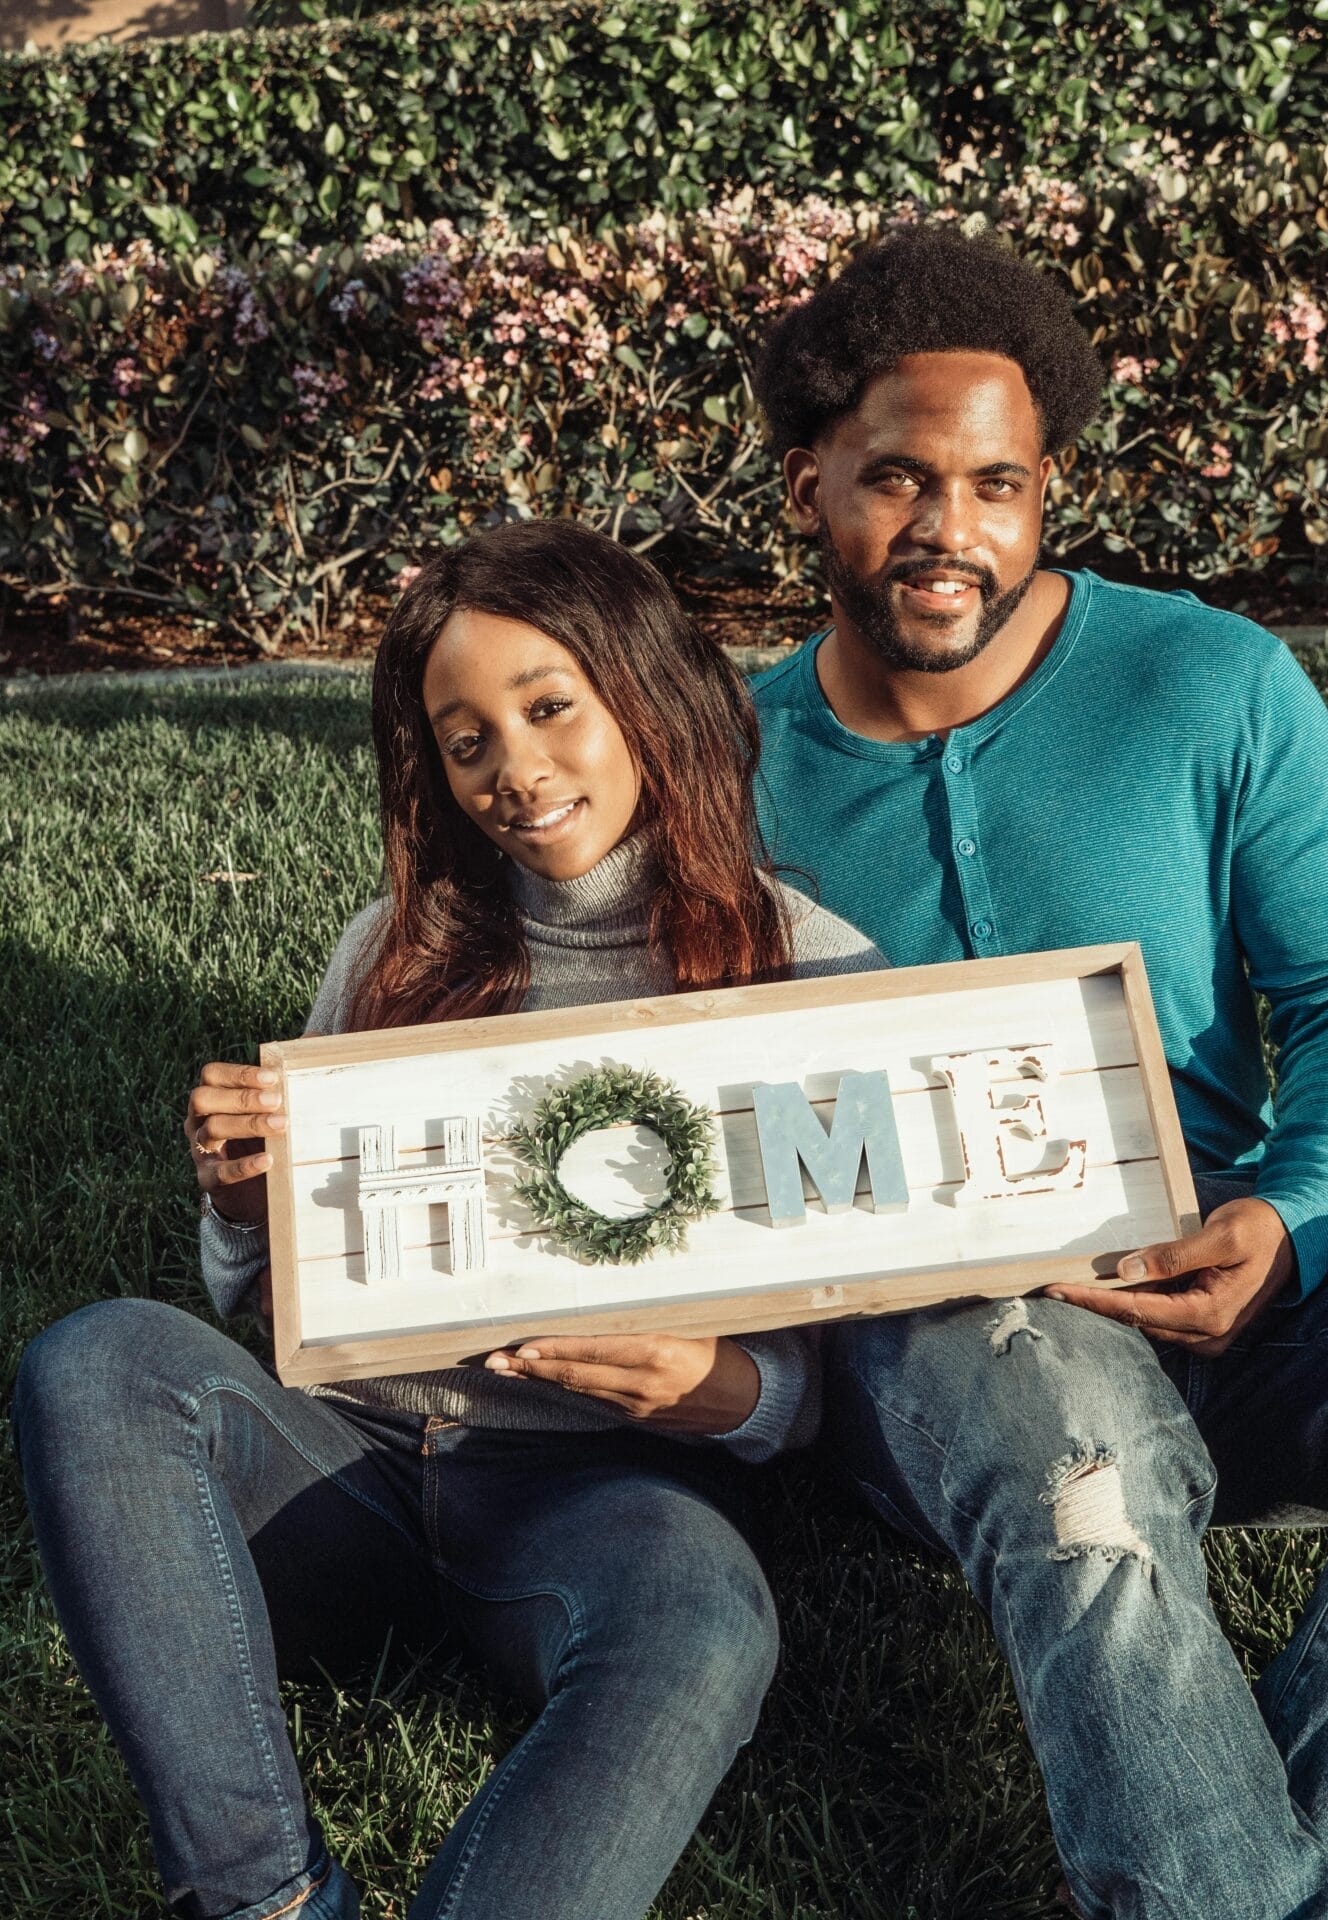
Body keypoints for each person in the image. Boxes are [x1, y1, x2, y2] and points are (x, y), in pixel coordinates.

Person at [12, 520, 885, 1920]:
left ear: (644, 693)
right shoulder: (393, 949)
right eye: (463, 737)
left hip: (602, 1494)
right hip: (345, 1463)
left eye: (549, 708)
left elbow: (832, 1384)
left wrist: (713, 1385)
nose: (513, 770)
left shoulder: (811, 976)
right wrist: (245, 1201)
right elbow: (262, 1302)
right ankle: (265, 1900)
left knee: (704, 1623)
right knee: (98, 1358)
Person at [747, 222, 1328, 1919]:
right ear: (805, 486)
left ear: (1047, 483)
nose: (950, 532)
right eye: (897, 480)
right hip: (967, 1335)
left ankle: (1290, 1879)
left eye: (998, 483)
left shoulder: (1211, 682)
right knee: (1068, 1437)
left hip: (1258, 1266)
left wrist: (1290, 1212)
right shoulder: (730, 766)